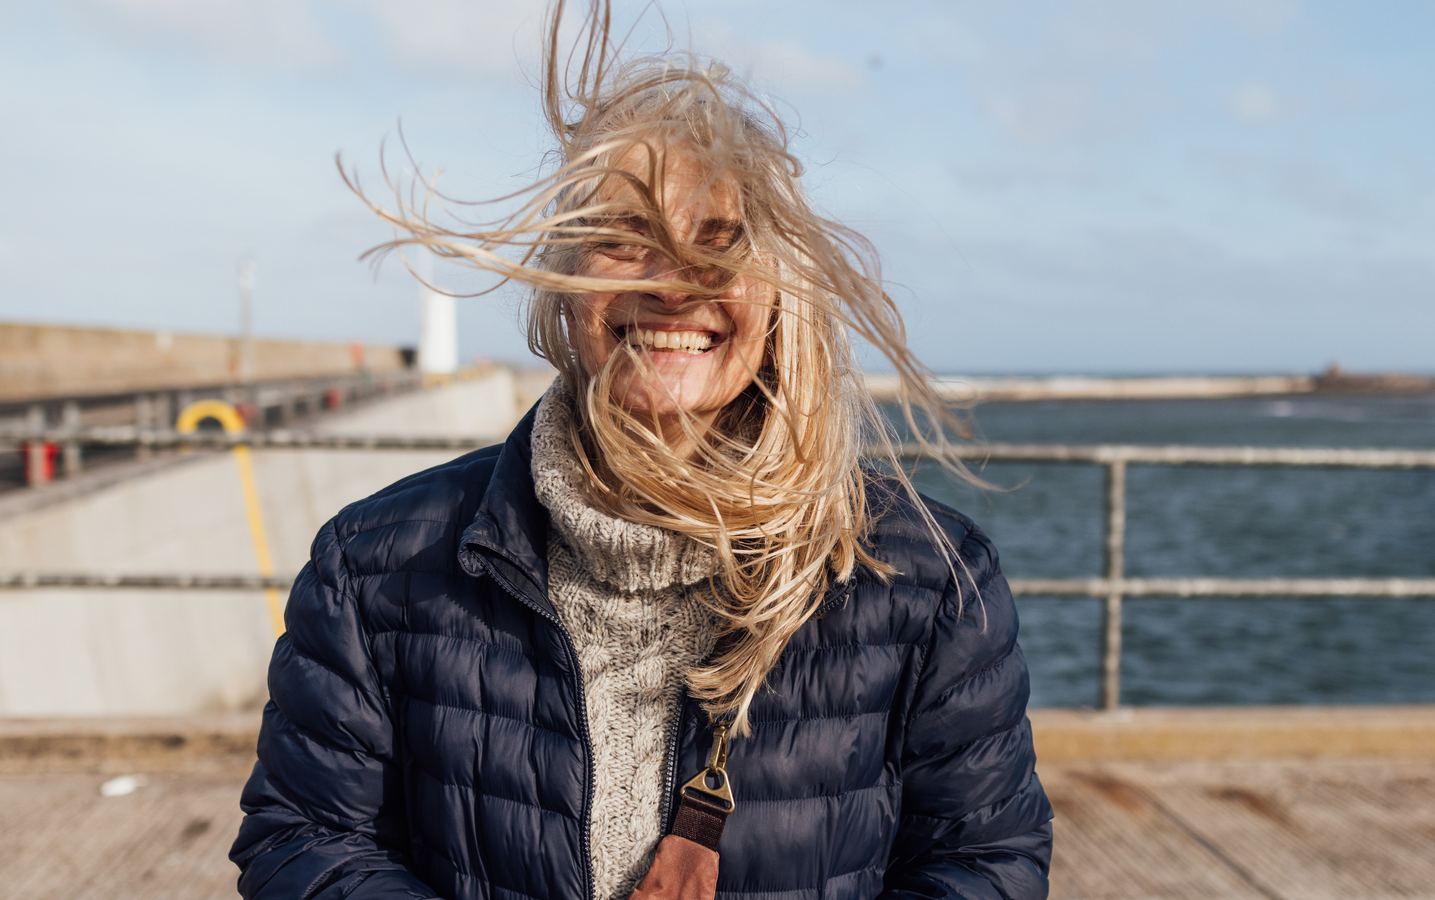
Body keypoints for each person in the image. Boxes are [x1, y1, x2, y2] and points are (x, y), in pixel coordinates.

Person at [230, 3, 1052, 898]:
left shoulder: (929, 582)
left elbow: (986, 862)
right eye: (625, 239)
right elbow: (302, 839)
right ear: (563, 278)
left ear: (781, 292)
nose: (672, 285)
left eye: (717, 241)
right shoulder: (375, 565)